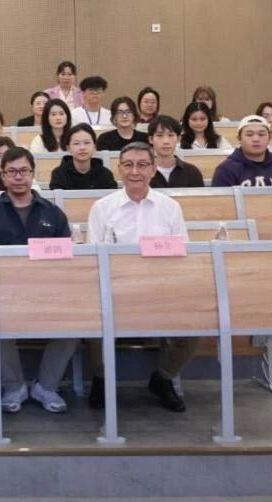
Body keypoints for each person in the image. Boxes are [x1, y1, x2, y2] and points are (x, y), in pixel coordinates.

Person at [86, 142, 192, 413]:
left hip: (161, 290)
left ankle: (163, 378)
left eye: (143, 165)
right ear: (119, 169)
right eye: (128, 165)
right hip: (114, 290)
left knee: (196, 324)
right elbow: (93, 258)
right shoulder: (102, 208)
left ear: (153, 169)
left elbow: (182, 253)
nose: (135, 171)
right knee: (94, 320)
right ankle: (101, 379)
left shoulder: (170, 207)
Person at [0, 146, 76, 413]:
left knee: (77, 323)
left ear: (32, 173)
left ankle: (46, 385)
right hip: (4, 295)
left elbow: (68, 258)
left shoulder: (53, 213)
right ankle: (14, 387)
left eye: (23, 171)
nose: (18, 177)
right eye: (12, 172)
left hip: (50, 293)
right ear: (3, 176)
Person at [212, 115, 272, 187]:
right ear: (239, 139)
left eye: (261, 134)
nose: (256, 139)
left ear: (269, 138)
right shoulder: (226, 170)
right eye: (249, 135)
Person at [49, 123, 118, 190]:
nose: (82, 148)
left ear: (94, 147)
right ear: (68, 148)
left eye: (87, 143)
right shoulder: (59, 174)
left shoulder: (105, 174)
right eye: (76, 143)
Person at [148, 116, 205, 188]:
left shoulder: (192, 172)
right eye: (159, 135)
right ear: (150, 139)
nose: (166, 141)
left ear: (178, 139)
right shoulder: (143, 172)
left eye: (171, 135)